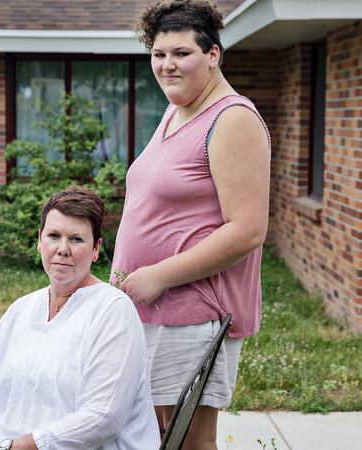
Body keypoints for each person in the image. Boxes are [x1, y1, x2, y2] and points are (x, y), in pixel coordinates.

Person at [111, 0, 271, 448]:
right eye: (159, 55)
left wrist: (157, 276)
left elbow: (248, 229)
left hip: (193, 313)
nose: (167, 65)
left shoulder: (232, 119)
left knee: (189, 442)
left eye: (182, 53)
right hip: (155, 308)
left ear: (213, 54)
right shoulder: (177, 111)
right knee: (157, 437)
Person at [0, 186, 160, 450]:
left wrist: (11, 448)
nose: (62, 249)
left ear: (96, 248)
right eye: (54, 236)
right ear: (39, 241)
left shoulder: (112, 310)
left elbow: (102, 418)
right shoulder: (21, 310)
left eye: (76, 239)